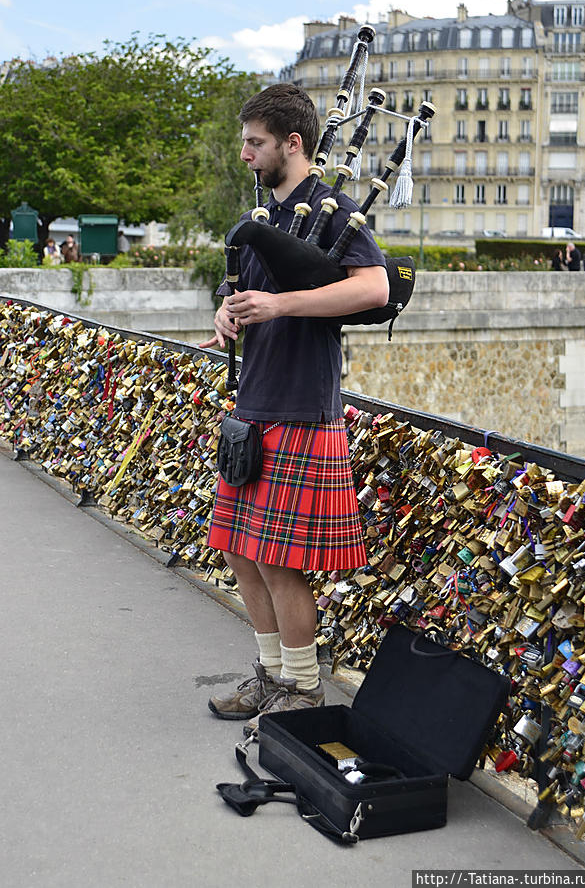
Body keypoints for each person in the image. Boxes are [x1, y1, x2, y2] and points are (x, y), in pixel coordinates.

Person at [199, 84, 388, 731]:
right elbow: (245, 297)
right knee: (238, 550)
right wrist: (227, 315)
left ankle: (302, 690)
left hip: (302, 406)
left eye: (255, 143)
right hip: (252, 404)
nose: (246, 154)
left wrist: (279, 305)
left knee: (279, 559)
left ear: (292, 143)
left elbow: (373, 287)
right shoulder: (265, 222)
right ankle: (270, 676)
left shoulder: (331, 212)